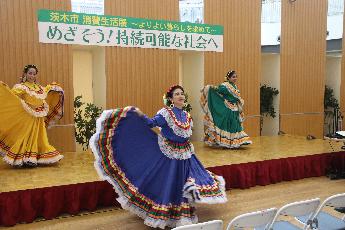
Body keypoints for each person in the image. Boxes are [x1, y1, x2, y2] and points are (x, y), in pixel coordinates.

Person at [89, 85, 227, 229]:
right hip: (170, 156)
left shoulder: (186, 115)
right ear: (171, 99)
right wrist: (139, 114)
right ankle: (166, 213)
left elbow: (185, 136)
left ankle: (181, 214)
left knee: (184, 184)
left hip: (186, 155)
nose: (180, 96)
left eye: (182, 94)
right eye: (177, 94)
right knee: (169, 184)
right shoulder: (165, 113)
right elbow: (150, 123)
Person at [0, 64, 64, 166]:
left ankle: (33, 158)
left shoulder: (39, 88)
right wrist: (4, 90)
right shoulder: (21, 87)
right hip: (27, 117)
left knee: (39, 138)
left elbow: (45, 95)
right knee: (26, 136)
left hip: (38, 118)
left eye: (34, 74)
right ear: (25, 74)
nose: (32, 76)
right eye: (30, 73)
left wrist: (54, 87)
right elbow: (12, 97)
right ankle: (23, 158)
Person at [200, 70, 252, 148]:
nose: (235, 78)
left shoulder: (234, 86)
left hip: (234, 109)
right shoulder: (224, 85)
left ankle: (234, 142)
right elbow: (218, 90)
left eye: (236, 77)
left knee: (234, 125)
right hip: (227, 109)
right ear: (228, 78)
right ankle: (225, 142)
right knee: (226, 125)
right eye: (233, 77)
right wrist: (210, 88)